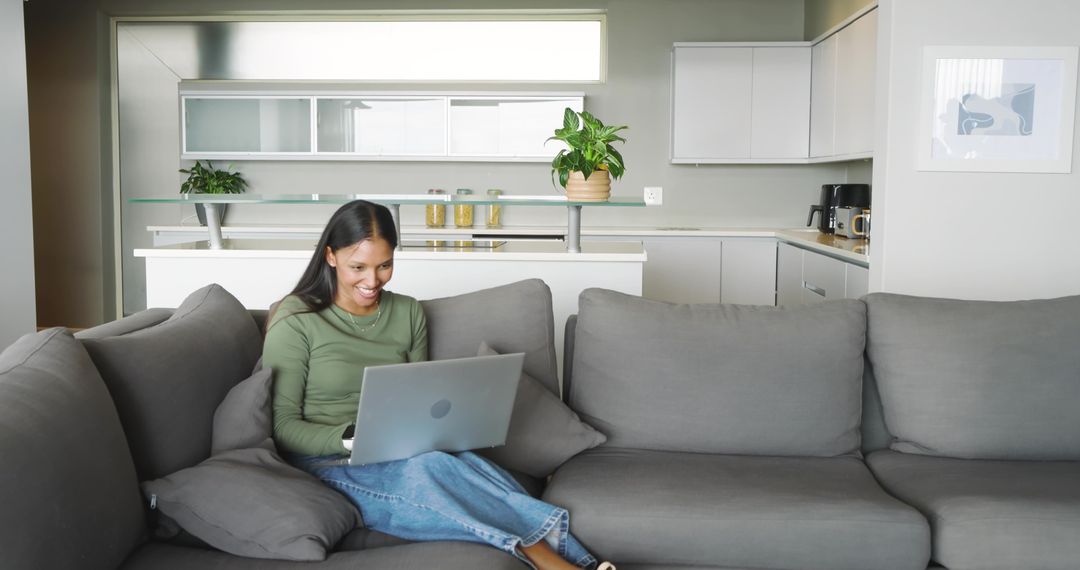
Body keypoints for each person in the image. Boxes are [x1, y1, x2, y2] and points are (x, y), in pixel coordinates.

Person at [263, 200, 612, 570]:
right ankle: (566, 563)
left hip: (400, 447)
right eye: (358, 267)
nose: (372, 281)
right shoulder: (297, 319)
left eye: (384, 266)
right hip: (329, 459)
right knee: (424, 473)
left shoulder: (407, 312)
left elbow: (422, 396)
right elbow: (282, 425)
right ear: (331, 257)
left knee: (446, 464)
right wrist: (350, 437)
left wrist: (435, 428)